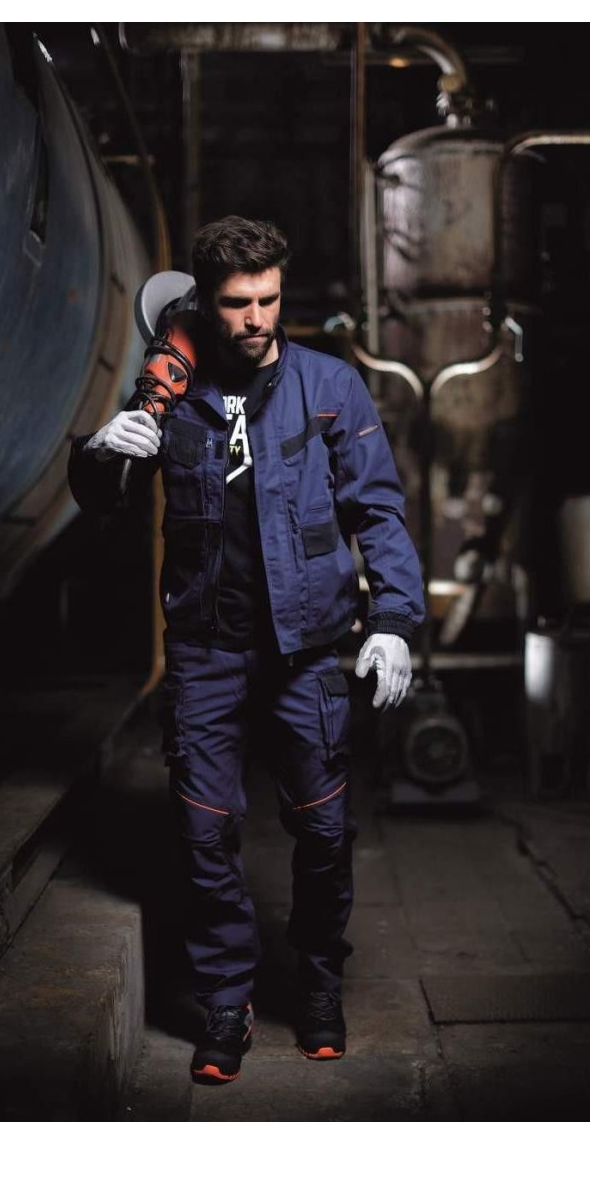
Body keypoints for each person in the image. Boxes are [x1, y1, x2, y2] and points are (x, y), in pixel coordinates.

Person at [68, 216, 424, 1084]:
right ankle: (227, 1000)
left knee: (325, 831)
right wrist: (101, 452)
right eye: (237, 303)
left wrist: (393, 621)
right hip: (207, 651)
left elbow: (377, 510)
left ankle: (318, 982)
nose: (257, 317)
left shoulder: (329, 387)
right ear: (205, 300)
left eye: (268, 298)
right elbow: (103, 500)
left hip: (309, 652)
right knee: (204, 833)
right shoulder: (171, 393)